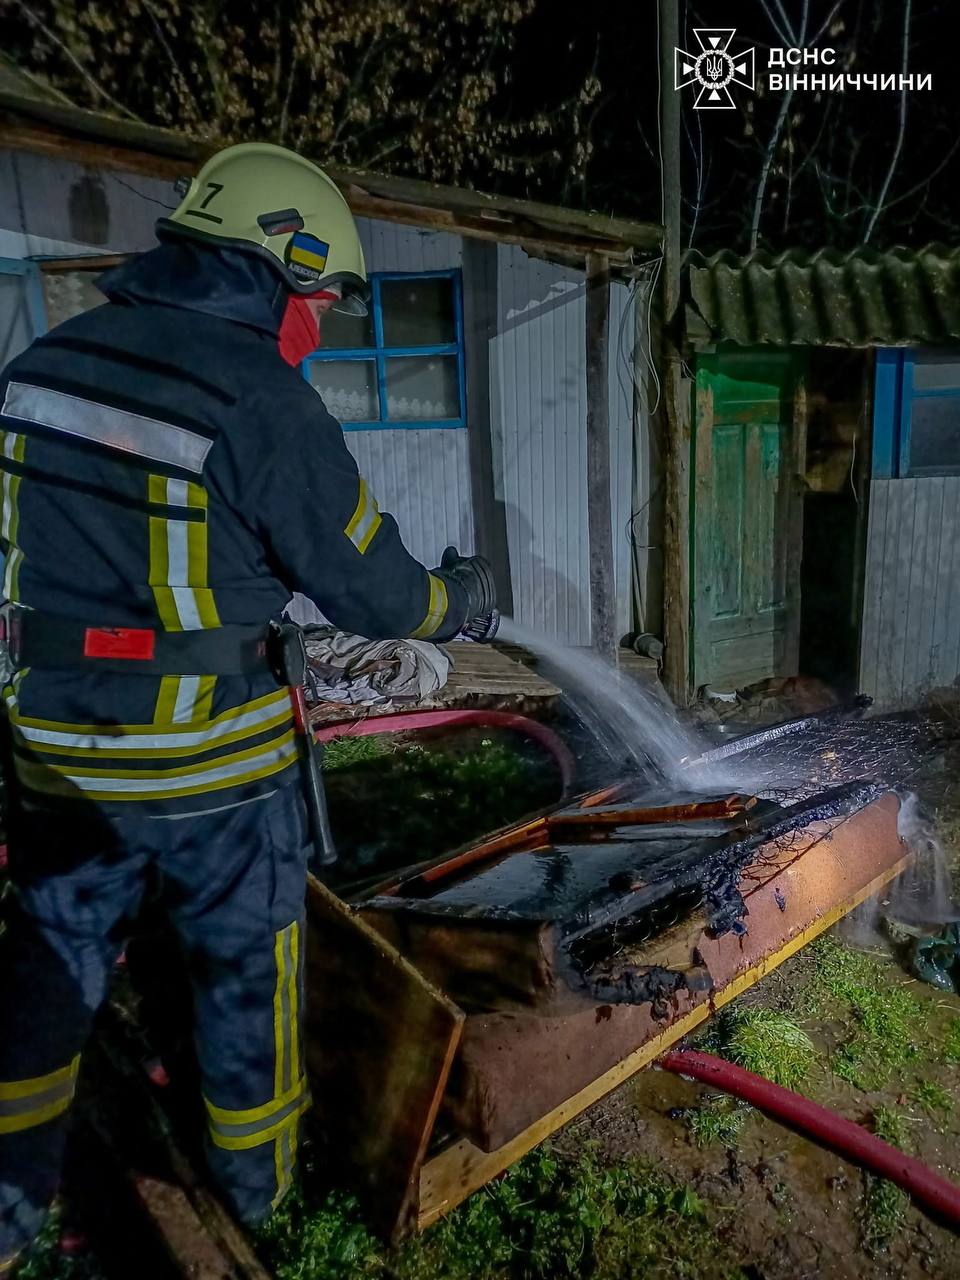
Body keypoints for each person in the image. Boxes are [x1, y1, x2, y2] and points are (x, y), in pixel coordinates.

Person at [0, 141, 496, 1272]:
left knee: (50, 965)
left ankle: (9, 1207)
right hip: (210, 770)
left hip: (55, 755)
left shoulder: (40, 364)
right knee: (243, 980)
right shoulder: (259, 400)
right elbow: (378, 589)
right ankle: (259, 1203)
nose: (322, 322)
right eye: (321, 297)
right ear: (284, 266)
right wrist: (458, 599)